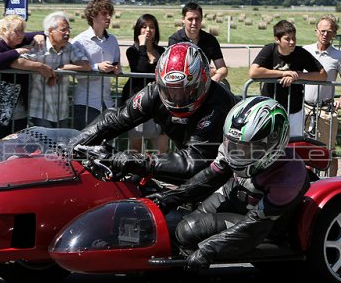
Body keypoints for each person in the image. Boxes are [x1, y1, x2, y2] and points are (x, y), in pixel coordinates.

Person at [149, 96, 309, 271]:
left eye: (247, 148)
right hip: (233, 196)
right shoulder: (233, 149)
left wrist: (208, 250)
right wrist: (169, 198)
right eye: (233, 145)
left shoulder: (289, 176)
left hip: (263, 225)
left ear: (272, 143)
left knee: (189, 230)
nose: (237, 153)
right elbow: (210, 176)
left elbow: (255, 226)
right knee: (174, 223)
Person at [70, 42, 237, 185]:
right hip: (193, 164)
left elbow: (195, 161)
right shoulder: (155, 92)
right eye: (170, 91)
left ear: (202, 82)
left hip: (231, 173)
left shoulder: (218, 104)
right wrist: (75, 144)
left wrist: (137, 162)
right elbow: (116, 118)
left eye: (184, 92)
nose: (177, 99)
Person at [248, 20, 327, 136]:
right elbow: (253, 72)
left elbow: (322, 75)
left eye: (294, 38)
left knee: (294, 144)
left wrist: (298, 75)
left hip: (295, 109)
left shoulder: (301, 53)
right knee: (269, 142)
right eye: (287, 39)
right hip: (270, 108)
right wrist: (284, 73)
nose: (292, 42)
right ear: (277, 39)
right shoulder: (269, 49)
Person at [0, 15, 46, 147]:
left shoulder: (19, 39)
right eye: (17, 30)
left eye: (22, 30)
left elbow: (40, 33)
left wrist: (39, 36)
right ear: (5, 30)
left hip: (16, 102)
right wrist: (16, 52)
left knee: (15, 140)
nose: (21, 34)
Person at [303, 14, 341, 177]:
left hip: (326, 109)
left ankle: (331, 183)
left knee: (328, 150)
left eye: (329, 31)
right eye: (322, 31)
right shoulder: (304, 51)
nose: (325, 34)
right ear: (316, 31)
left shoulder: (338, 56)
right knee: (301, 148)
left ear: (334, 34)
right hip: (303, 108)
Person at [24, 11, 90, 128]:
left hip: (61, 111)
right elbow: (17, 61)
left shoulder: (69, 48)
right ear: (50, 31)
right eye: (63, 30)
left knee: (60, 145)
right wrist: (39, 67)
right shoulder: (38, 47)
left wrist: (62, 68)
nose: (67, 33)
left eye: (69, 29)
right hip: (40, 110)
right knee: (43, 145)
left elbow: (86, 65)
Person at [120, 13, 168, 154]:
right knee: (136, 146)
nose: (148, 30)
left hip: (157, 103)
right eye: (144, 27)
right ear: (138, 30)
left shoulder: (161, 51)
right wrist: (142, 46)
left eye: (152, 27)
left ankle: (159, 174)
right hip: (138, 103)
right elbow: (139, 69)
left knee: (161, 148)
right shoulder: (132, 51)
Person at [70, 0, 121, 129]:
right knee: (84, 145)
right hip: (86, 103)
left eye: (110, 13)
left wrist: (116, 69)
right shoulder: (79, 41)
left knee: (105, 146)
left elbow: (117, 64)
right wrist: (97, 67)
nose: (109, 17)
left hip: (107, 103)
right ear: (93, 15)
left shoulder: (113, 41)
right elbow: (75, 74)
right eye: (104, 13)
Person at [168, 2, 228, 82]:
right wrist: (203, 72)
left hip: (205, 85)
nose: (194, 23)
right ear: (183, 19)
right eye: (190, 19)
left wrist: (217, 77)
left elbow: (222, 68)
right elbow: (172, 69)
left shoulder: (210, 40)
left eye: (197, 19)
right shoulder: (175, 40)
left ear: (202, 19)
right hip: (181, 86)